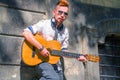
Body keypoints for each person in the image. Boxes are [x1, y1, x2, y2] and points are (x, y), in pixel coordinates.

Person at [22, 0, 86, 80]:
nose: (62, 15)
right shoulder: (44, 24)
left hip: (57, 65)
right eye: (60, 12)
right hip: (42, 62)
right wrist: (41, 48)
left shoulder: (65, 31)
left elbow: (63, 51)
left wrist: (77, 56)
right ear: (54, 12)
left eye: (65, 14)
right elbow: (26, 33)